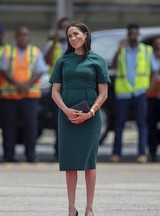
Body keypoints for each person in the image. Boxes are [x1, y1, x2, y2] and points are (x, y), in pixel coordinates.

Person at [49, 22, 110, 216]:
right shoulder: (63, 60)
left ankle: (89, 208)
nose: (73, 38)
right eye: (69, 36)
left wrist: (91, 112)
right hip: (67, 118)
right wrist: (66, 110)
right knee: (70, 164)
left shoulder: (98, 61)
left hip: (90, 119)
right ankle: (70, 208)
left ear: (85, 34)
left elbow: (104, 92)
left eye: (76, 34)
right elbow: (55, 91)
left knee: (89, 164)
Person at [0, 26, 48, 163]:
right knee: (8, 127)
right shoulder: (8, 51)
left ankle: (30, 156)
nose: (22, 38)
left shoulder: (35, 52)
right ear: (15, 37)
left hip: (29, 96)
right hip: (10, 97)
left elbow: (39, 71)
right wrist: (18, 85)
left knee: (31, 127)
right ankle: (8, 155)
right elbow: (4, 70)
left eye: (25, 35)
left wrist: (26, 85)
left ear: (29, 37)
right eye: (20, 35)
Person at [110, 23, 153, 163]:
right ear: (127, 35)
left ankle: (141, 153)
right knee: (119, 124)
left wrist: (149, 88)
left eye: (135, 33)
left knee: (141, 123)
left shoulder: (147, 50)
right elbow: (114, 65)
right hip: (123, 92)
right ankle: (116, 153)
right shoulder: (122, 50)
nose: (133, 36)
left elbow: (155, 69)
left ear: (138, 34)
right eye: (131, 34)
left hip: (140, 91)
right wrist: (118, 49)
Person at [43, 17, 71, 159]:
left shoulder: (78, 45)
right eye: (62, 28)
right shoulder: (51, 44)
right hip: (57, 88)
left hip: (73, 88)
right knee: (58, 120)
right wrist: (54, 41)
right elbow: (46, 61)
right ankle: (59, 151)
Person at [146, 37, 160, 162]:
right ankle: (153, 151)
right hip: (151, 96)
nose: (158, 51)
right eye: (156, 48)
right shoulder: (148, 60)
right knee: (151, 125)